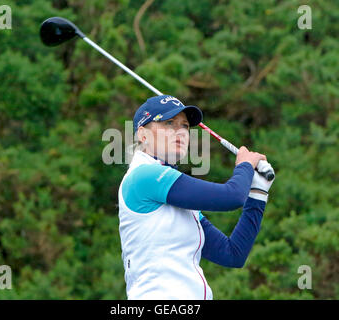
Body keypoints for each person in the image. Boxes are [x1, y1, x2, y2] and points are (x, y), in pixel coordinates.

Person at [118, 95, 275, 300]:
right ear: (143, 135)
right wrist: (245, 165)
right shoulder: (144, 176)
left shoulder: (177, 198)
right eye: (169, 123)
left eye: (184, 126)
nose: (180, 132)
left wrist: (258, 193)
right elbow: (232, 196)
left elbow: (232, 254)